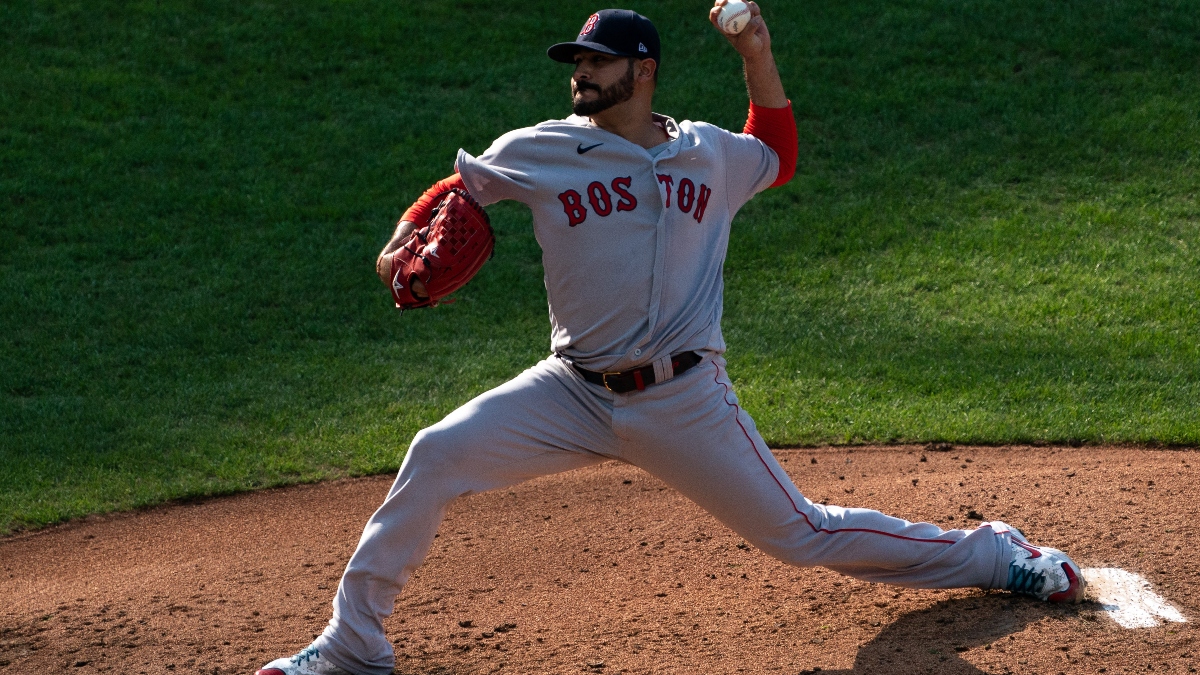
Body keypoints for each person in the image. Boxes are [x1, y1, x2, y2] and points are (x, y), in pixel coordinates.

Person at [257, 4, 1084, 674]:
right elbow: (457, 187)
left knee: (800, 534)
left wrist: (757, 52)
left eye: (595, 61)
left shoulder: (708, 155)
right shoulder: (539, 149)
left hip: (685, 398)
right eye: (575, 62)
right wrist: (400, 238)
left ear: (642, 71)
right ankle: (352, 644)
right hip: (571, 389)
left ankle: (992, 554)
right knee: (435, 451)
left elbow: (777, 155)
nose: (580, 73)